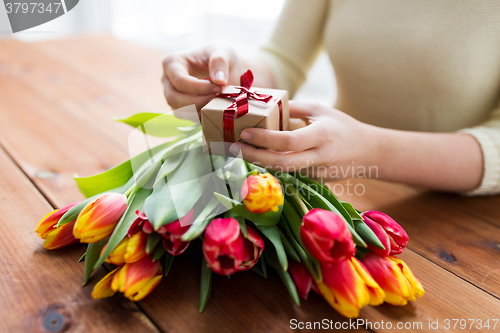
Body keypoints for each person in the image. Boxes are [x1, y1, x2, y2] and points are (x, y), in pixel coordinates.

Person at [161, 0, 500, 195]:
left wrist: (373, 150)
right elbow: (283, 59)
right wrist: (226, 76)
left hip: (456, 219)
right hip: (336, 186)